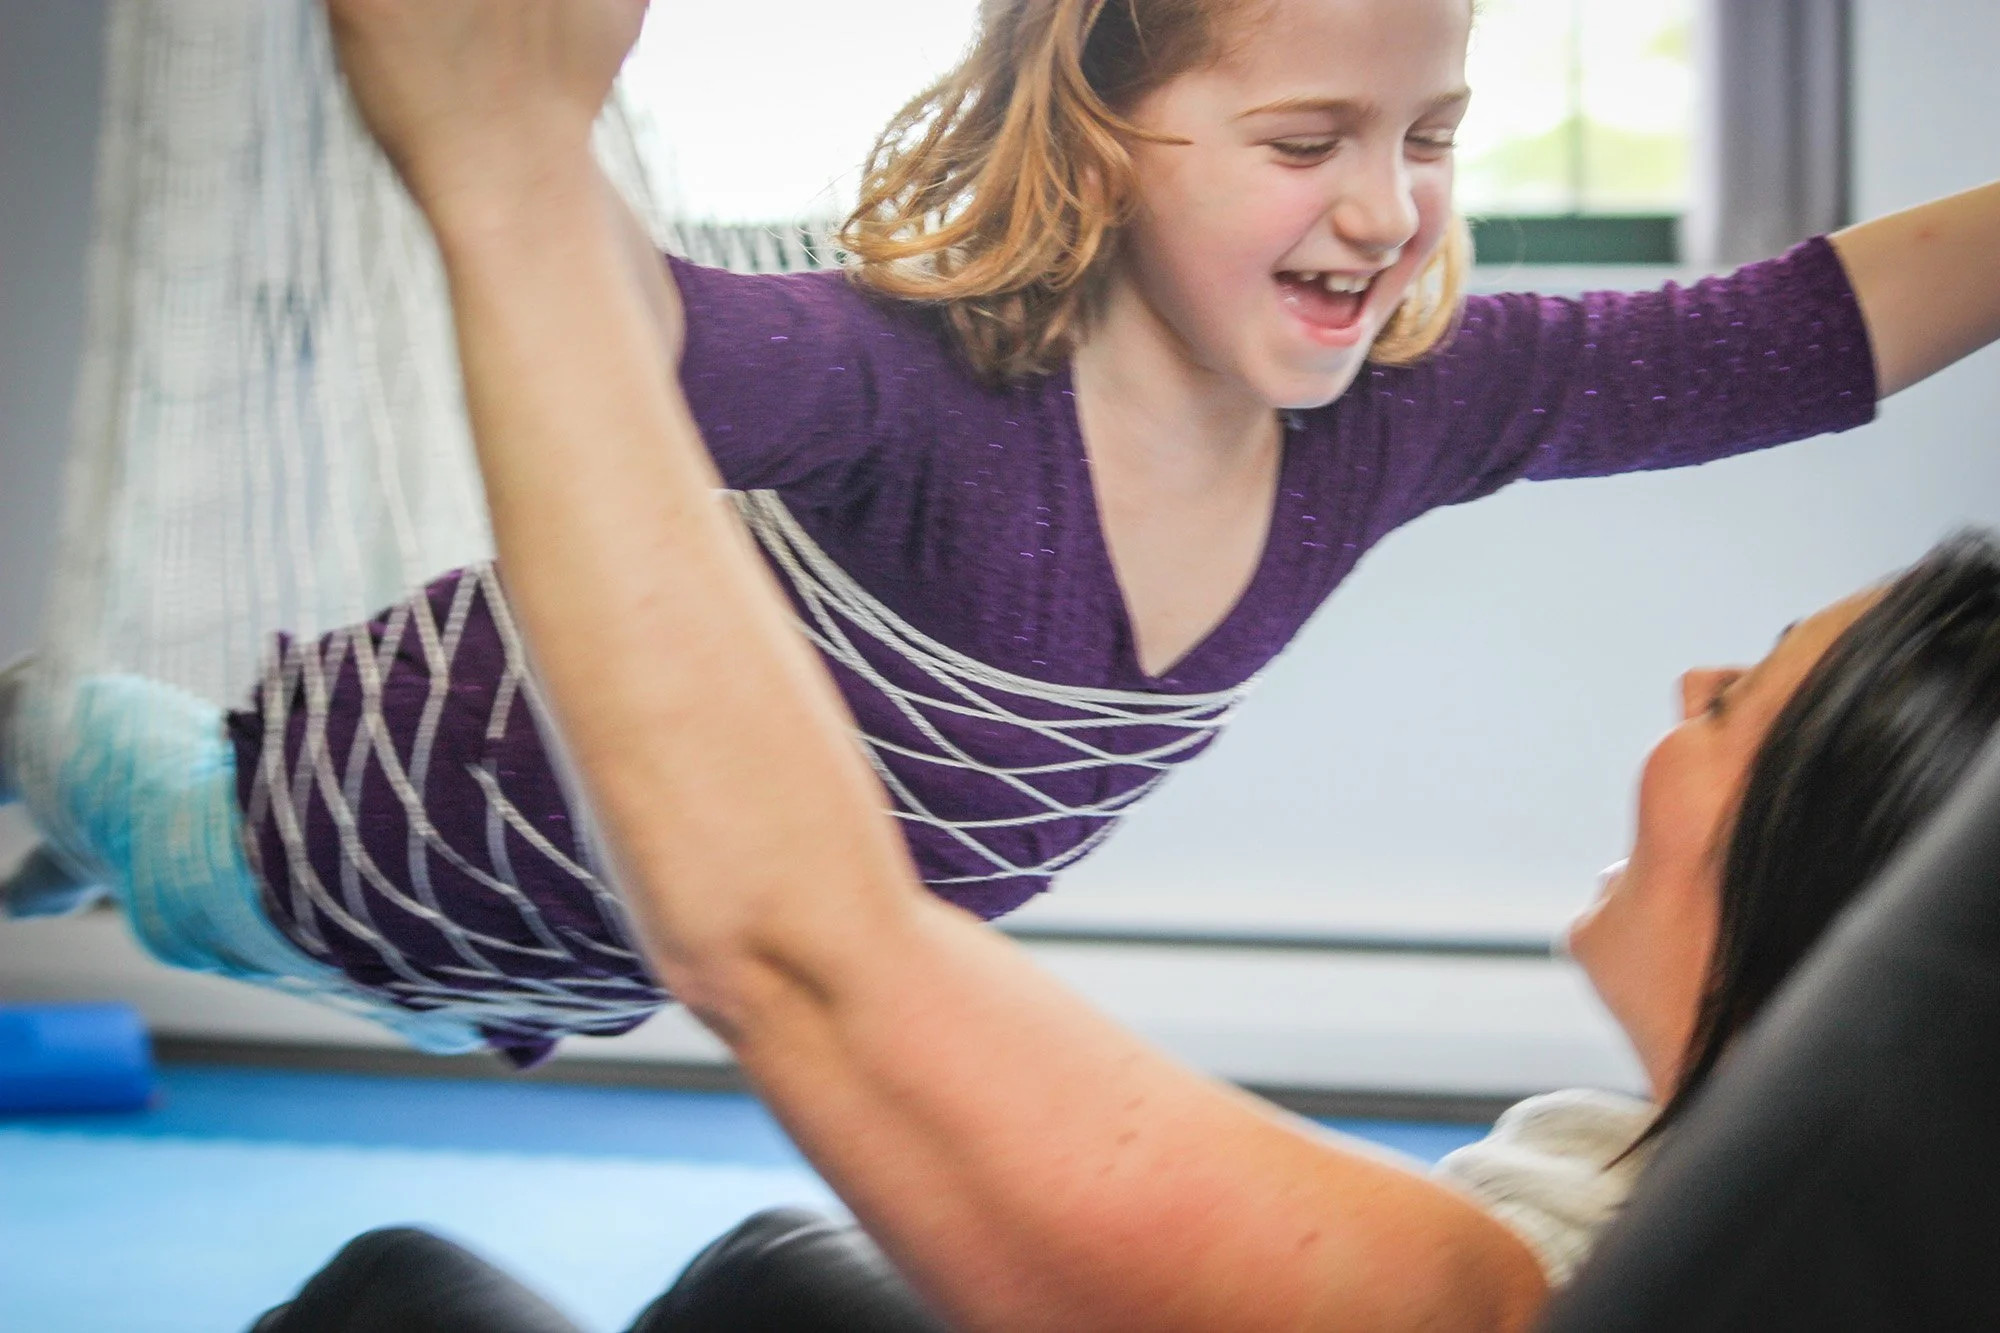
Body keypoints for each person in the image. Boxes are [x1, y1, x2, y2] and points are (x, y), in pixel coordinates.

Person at [6, 0, 2000, 1069]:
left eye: (1429, 135)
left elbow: (1784, 341)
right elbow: (603, 328)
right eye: (1305, 141)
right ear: (1094, 132)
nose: (1386, 207)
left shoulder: (1398, 415)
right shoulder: (915, 386)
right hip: (296, 834)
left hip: (559, 974)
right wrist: (515, 118)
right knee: (77, 758)